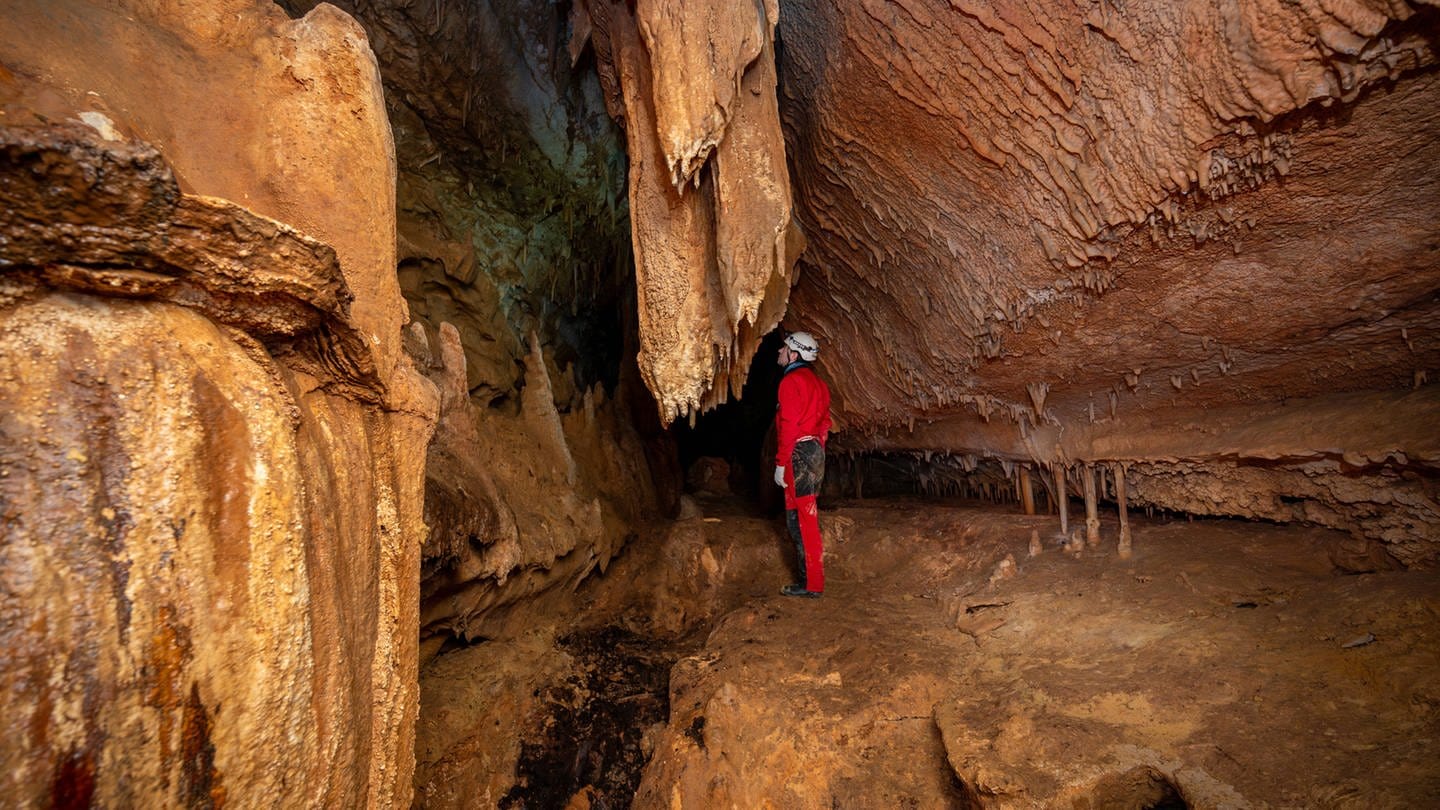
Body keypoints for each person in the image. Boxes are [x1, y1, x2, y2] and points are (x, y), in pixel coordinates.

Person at [772, 331, 831, 598]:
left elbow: (789, 426)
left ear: (794, 355)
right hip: (814, 450)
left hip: (798, 453)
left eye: (783, 349)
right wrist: (816, 451)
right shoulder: (819, 384)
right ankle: (807, 581)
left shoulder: (791, 382)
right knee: (797, 517)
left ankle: (812, 585)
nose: (779, 353)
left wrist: (781, 462)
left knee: (804, 520)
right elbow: (825, 425)